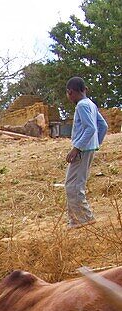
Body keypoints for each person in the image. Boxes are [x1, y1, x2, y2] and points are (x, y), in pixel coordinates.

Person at [64, 77, 108, 228]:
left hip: (82, 150)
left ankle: (83, 219)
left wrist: (76, 148)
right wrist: (95, 143)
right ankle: (76, 219)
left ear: (70, 92)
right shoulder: (91, 104)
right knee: (74, 183)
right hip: (87, 149)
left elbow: (91, 128)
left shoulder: (81, 106)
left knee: (73, 185)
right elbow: (103, 126)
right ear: (85, 89)